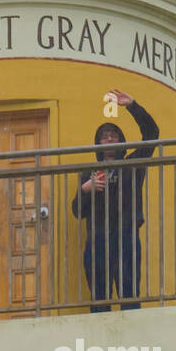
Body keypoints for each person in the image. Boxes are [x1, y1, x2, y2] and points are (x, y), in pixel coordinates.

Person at [70, 89, 159, 313]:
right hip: (97, 237)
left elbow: (152, 134)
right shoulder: (90, 174)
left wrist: (132, 106)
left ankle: (132, 338)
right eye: (105, 136)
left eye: (114, 135)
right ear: (98, 143)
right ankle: (102, 339)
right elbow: (77, 212)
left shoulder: (133, 164)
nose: (109, 138)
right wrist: (85, 189)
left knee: (129, 291)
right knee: (99, 294)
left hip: (126, 235)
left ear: (121, 141)